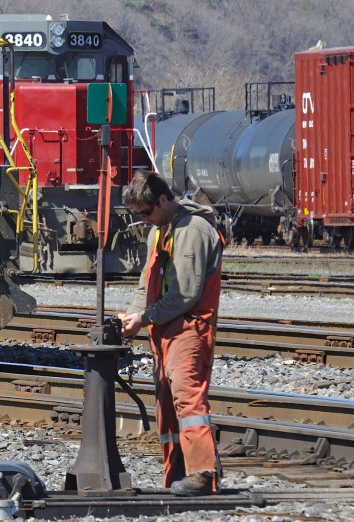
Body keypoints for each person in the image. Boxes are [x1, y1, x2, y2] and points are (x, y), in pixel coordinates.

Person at [117, 170, 225, 496]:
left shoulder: (193, 231)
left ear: (164, 199)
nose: (144, 219)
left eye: (146, 212)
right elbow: (145, 285)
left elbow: (185, 294)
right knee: (167, 405)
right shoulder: (159, 232)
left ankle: (202, 473)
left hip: (190, 328)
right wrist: (134, 315)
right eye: (137, 215)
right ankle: (178, 473)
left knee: (187, 397)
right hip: (164, 330)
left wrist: (145, 317)